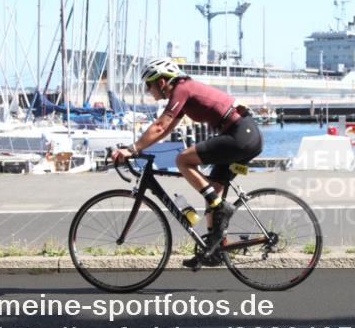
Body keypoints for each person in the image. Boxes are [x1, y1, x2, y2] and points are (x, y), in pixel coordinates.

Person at [111, 57, 263, 268]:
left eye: (149, 85)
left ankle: (221, 209)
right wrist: (139, 148)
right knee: (213, 188)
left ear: (161, 82)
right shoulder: (183, 94)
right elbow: (165, 128)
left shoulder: (182, 89)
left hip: (241, 135)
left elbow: (159, 126)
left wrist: (131, 149)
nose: (147, 90)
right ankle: (214, 248)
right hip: (243, 135)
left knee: (182, 159)